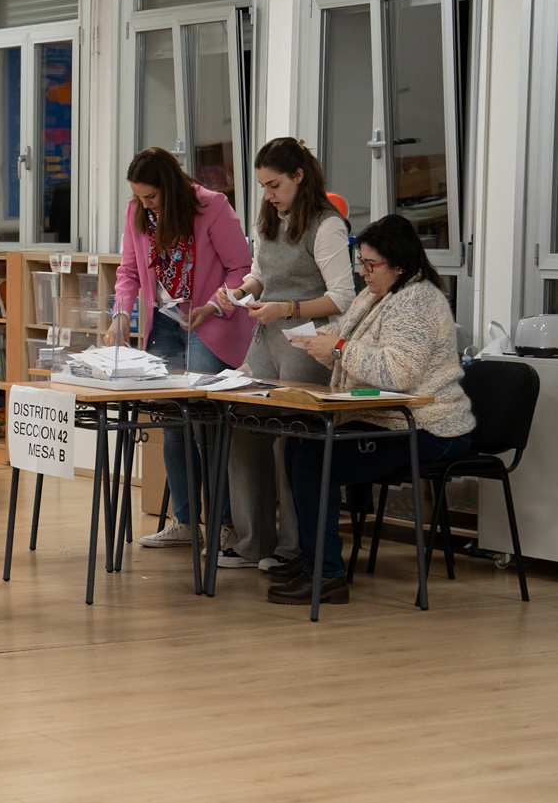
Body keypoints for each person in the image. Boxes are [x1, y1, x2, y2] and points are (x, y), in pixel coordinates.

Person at [274, 214, 474, 605]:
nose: (363, 273)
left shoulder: (417, 301)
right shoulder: (375, 295)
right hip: (388, 418)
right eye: (360, 263)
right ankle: (312, 557)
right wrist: (321, 343)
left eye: (370, 265)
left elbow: (397, 372)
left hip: (430, 427)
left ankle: (326, 574)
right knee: (299, 445)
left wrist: (338, 349)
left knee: (316, 458)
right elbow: (348, 344)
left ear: (399, 265)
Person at [213, 138, 356, 574]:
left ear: (299, 176)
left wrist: (288, 308)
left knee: (294, 439)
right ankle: (254, 541)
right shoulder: (269, 218)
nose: (269, 194)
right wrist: (238, 292)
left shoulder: (326, 225)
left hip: (306, 339)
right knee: (243, 428)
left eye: (275, 184)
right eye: (262, 186)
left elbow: (343, 297)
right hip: (267, 337)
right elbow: (261, 274)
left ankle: (294, 549)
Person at [105, 148, 253, 548]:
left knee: (206, 427)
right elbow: (129, 271)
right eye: (138, 197)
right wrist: (121, 314)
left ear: (170, 187)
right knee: (173, 427)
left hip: (209, 323)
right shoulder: (137, 213)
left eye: (150, 196)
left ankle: (224, 523)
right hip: (164, 326)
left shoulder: (212, 206)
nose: (144, 204)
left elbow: (242, 267)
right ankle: (186, 522)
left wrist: (213, 304)